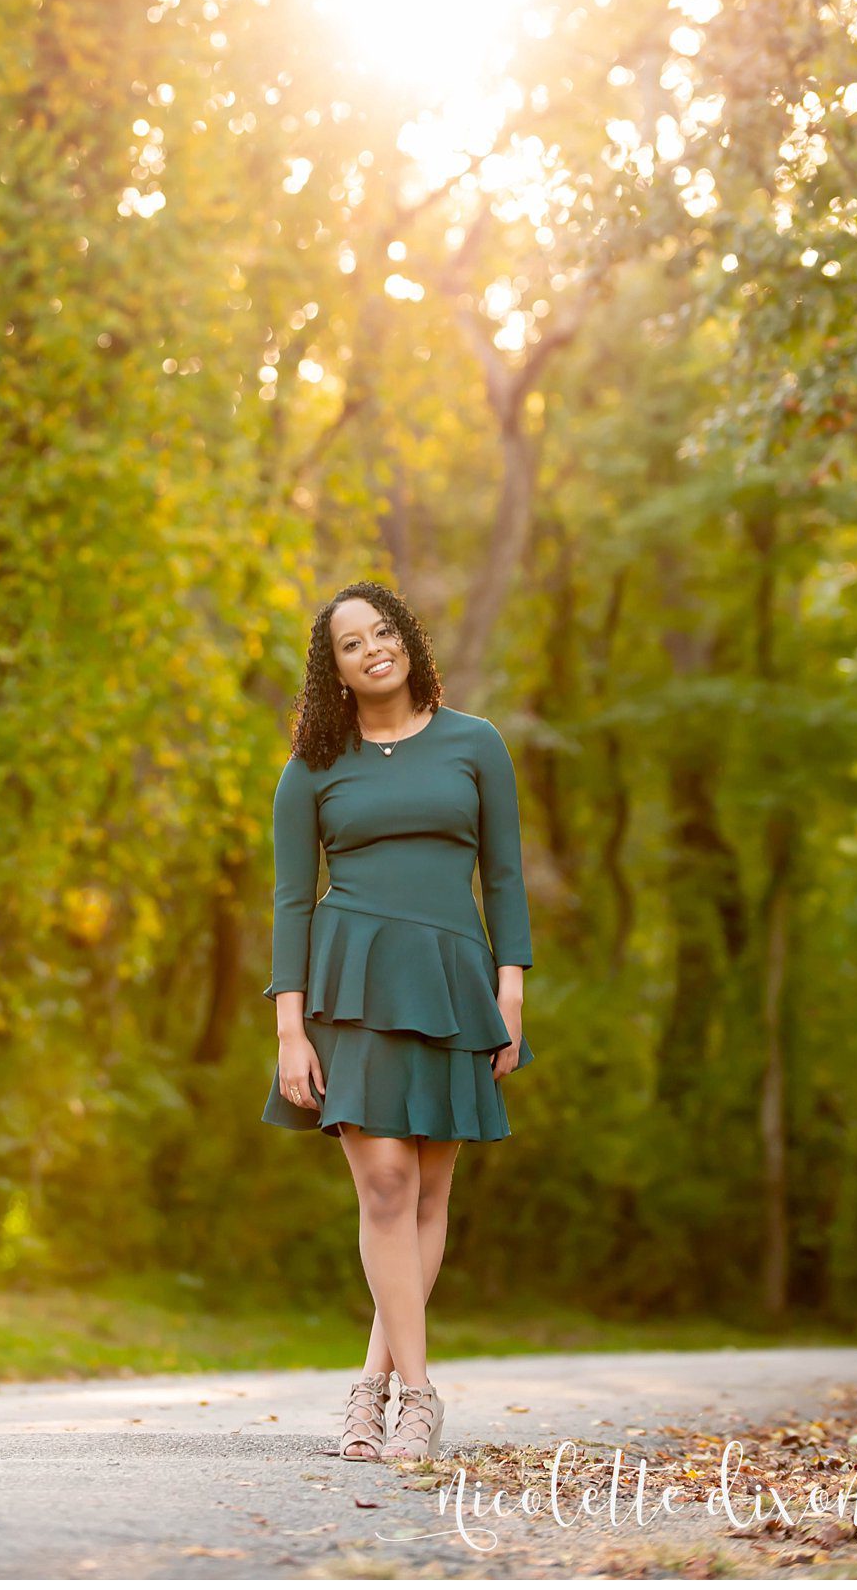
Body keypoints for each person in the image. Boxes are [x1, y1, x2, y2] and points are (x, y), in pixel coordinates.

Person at [262, 581, 535, 1463]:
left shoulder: (476, 744)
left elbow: (503, 877)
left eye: (383, 630)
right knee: (384, 1184)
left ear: (407, 639)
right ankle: (419, 1397)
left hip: (454, 979)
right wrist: (289, 1029)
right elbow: (292, 900)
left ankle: (371, 1386)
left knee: (429, 1192)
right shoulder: (312, 765)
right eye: (351, 643)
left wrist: (511, 992)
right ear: (332, 669)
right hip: (352, 981)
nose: (373, 648)